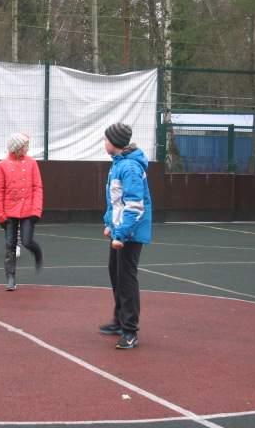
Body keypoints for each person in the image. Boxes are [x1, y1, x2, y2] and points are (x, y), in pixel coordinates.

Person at [99, 122, 152, 350]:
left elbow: (135, 205)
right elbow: (115, 201)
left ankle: (130, 331)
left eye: (106, 139)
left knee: (126, 278)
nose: (104, 143)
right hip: (120, 230)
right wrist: (109, 223)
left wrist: (121, 233)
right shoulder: (118, 164)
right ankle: (120, 320)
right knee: (116, 273)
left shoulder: (129, 168)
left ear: (115, 142)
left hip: (131, 232)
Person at [0, 133, 43, 291]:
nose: (27, 149)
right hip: (9, 211)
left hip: (28, 209)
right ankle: (10, 277)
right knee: (10, 245)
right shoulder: (2, 165)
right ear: (16, 148)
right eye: (24, 146)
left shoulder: (32, 163)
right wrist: (0, 213)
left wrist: (36, 210)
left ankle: (37, 252)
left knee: (27, 241)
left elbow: (37, 187)